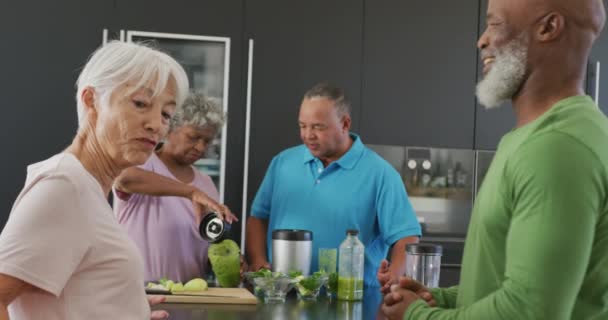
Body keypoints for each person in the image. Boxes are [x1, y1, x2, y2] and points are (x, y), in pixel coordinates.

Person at [380, 0, 608, 319]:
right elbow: (504, 285)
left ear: (548, 28)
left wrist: (418, 315)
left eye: (496, 24)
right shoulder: (530, 137)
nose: (482, 40)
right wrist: (438, 298)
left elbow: (529, 311)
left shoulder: (557, 146)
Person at [0, 41, 189, 320]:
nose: (156, 124)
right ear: (91, 100)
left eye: (166, 114)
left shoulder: (88, 189)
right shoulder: (64, 186)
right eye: (140, 103)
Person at [246, 82, 421, 287]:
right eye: (303, 126)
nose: (308, 135)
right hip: (281, 294)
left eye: (318, 127)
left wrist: (394, 277)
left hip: (351, 300)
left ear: (345, 124)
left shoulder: (381, 174)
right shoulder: (282, 163)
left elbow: (406, 237)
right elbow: (258, 217)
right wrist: (258, 261)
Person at [114, 92, 239, 284]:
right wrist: (191, 193)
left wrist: (226, 257)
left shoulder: (205, 183)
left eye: (207, 141)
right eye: (193, 137)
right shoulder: (142, 163)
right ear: (170, 128)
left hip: (190, 299)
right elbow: (123, 179)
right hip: (138, 296)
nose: (200, 147)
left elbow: (203, 247)